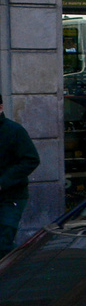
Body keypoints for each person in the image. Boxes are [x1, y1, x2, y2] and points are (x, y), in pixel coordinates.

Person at [0, 93, 40, 257]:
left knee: (3, 240)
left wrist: (3, 182)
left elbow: (31, 160)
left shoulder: (14, 131)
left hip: (11, 197)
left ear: (1, 108)